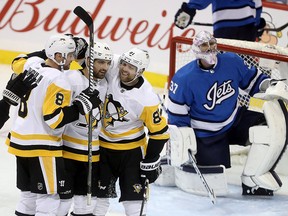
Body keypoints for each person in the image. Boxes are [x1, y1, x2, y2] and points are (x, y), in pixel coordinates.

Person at [167, 30, 284, 196]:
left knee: (270, 127)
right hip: (206, 135)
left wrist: (271, 86)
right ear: (196, 49)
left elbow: (254, 81)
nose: (209, 48)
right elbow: (177, 116)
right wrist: (185, 140)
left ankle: (254, 180)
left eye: (212, 43)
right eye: (204, 45)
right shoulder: (183, 78)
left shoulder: (231, 61)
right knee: (215, 182)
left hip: (234, 120)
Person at [6, 34, 101, 216]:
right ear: (58, 56)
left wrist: (49, 48)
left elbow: (17, 60)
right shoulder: (59, 80)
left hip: (19, 141)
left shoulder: (32, 65)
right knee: (49, 199)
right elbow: (54, 120)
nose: (74, 59)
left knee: (27, 197)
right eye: (71, 55)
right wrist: (80, 106)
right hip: (42, 145)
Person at [95, 48, 170, 216]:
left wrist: (150, 161)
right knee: (97, 199)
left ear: (140, 71)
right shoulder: (114, 67)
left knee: (134, 203)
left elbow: (160, 133)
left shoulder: (147, 98)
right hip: (103, 147)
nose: (124, 69)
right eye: (124, 64)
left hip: (131, 153)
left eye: (131, 67)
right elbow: (92, 52)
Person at [58, 41, 113, 216]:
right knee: (61, 204)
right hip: (67, 151)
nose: (105, 67)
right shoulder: (71, 79)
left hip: (92, 152)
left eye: (107, 62)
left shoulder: (105, 83)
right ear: (89, 60)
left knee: (86, 205)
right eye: (100, 62)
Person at [174, 0, 266, 41]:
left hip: (225, 28)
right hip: (247, 27)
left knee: (224, 64)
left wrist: (189, 9)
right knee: (245, 65)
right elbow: (258, 5)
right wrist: (257, 24)